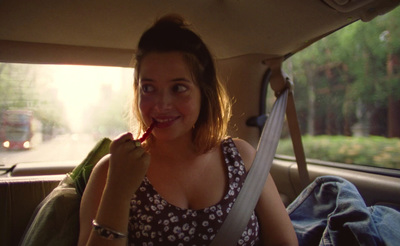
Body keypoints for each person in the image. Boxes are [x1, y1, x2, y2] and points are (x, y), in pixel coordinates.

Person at [78, 14, 298, 246]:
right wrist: (117, 191)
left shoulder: (241, 158)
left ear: (204, 93)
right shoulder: (110, 171)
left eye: (179, 87)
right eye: (148, 88)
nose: (161, 104)